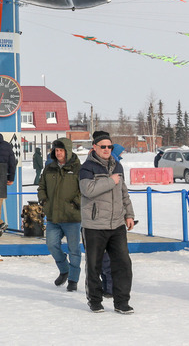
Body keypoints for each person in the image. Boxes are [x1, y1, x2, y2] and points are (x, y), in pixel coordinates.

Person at [79, 130, 135, 314]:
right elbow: (88, 190)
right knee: (94, 266)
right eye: (102, 146)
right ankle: (95, 301)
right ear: (94, 147)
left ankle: (122, 302)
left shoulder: (117, 166)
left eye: (109, 146)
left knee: (123, 264)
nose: (106, 149)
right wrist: (111, 181)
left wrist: (129, 215)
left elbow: (124, 192)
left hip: (117, 224)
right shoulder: (87, 168)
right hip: (94, 225)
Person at [39, 137, 82, 291]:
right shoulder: (49, 168)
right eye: (56, 150)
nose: (58, 153)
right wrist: (44, 201)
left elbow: (84, 189)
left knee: (74, 250)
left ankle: (73, 279)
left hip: (72, 217)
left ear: (68, 151)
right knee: (51, 244)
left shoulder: (78, 168)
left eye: (61, 150)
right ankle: (64, 269)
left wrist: (76, 203)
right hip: (53, 216)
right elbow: (41, 186)